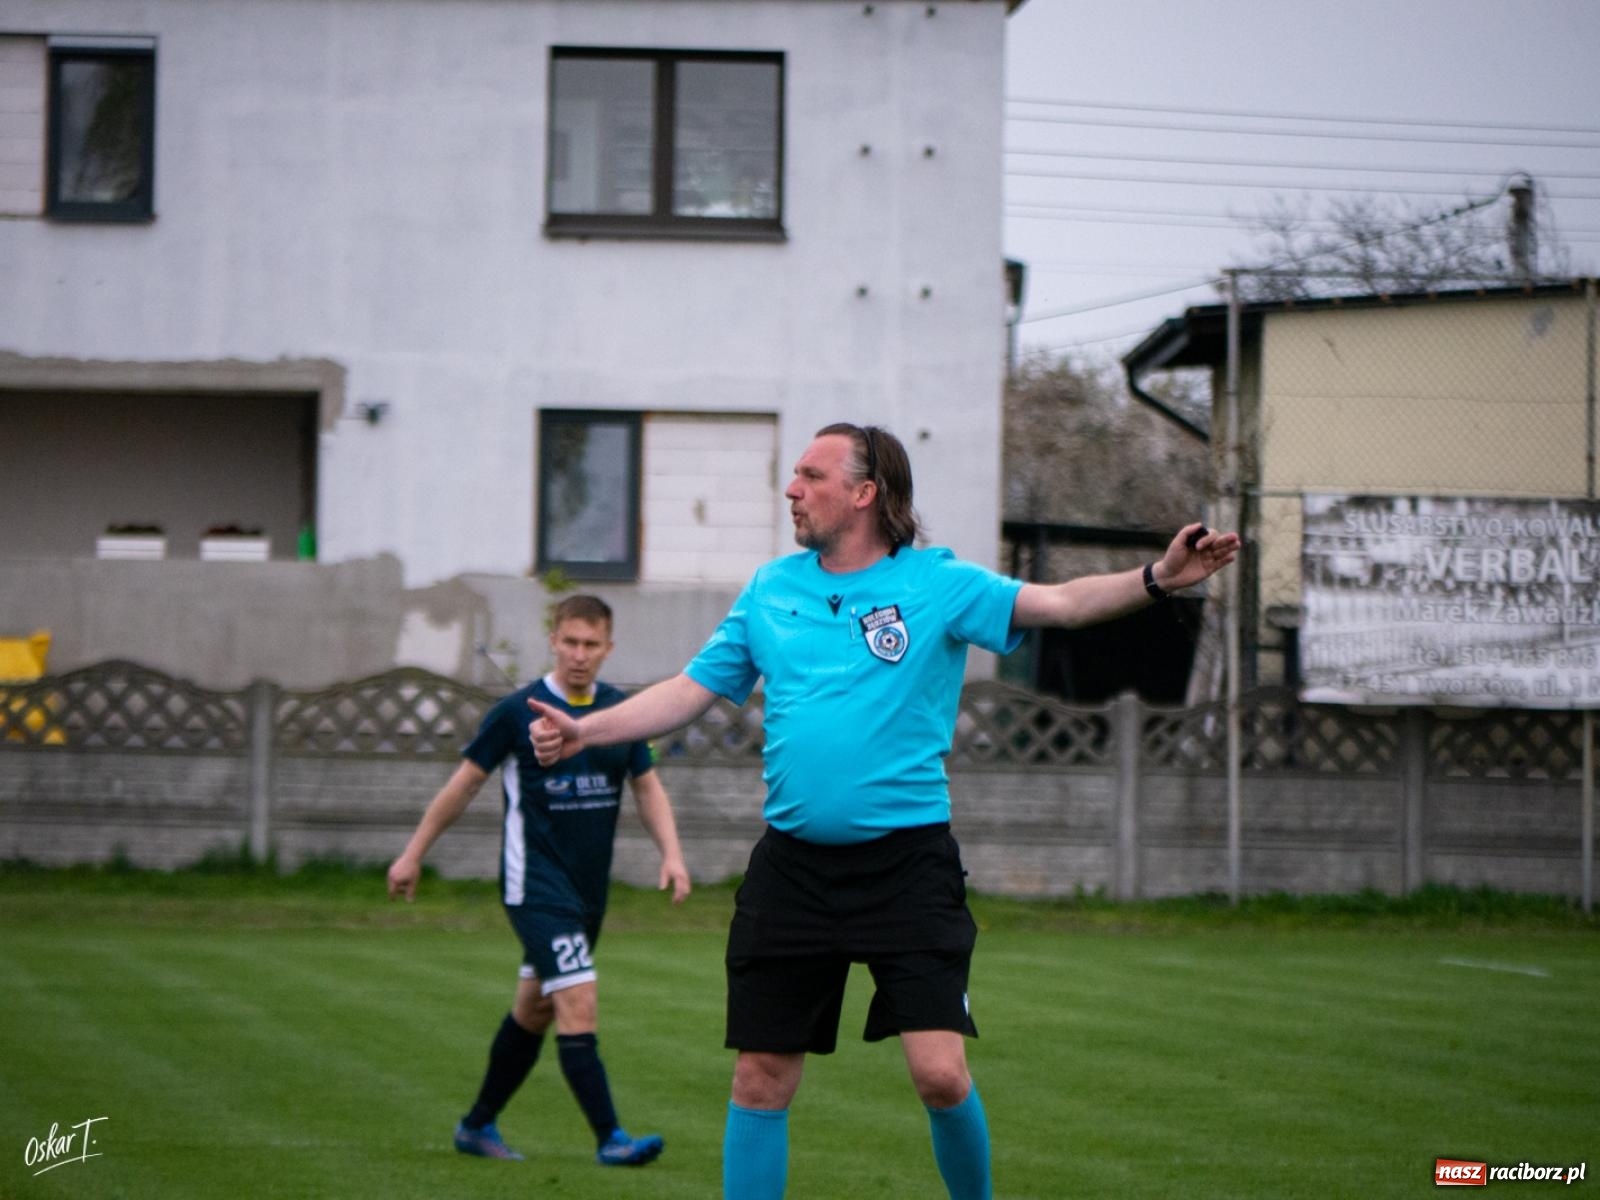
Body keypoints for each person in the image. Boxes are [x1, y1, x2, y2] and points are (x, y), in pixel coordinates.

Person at [528, 424, 1239, 1199]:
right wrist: (585, 729)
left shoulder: (938, 584)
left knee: (939, 1073)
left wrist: (1159, 578)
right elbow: (689, 689)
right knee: (761, 1077)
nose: (791, 489)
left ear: (865, 493)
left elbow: (1061, 603)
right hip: (793, 871)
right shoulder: (771, 590)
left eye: (811, 475)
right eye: (794, 474)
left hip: (906, 868)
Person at [387, 593, 691, 1168]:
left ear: (608, 648)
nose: (579, 654)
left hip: (587, 894)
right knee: (577, 997)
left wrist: (672, 854)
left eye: (590, 644)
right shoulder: (516, 712)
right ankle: (611, 1138)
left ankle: (476, 1126)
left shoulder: (616, 714)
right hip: (535, 885)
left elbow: (645, 786)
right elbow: (464, 784)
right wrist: (412, 854)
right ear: (553, 640)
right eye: (569, 641)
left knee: (536, 1009)